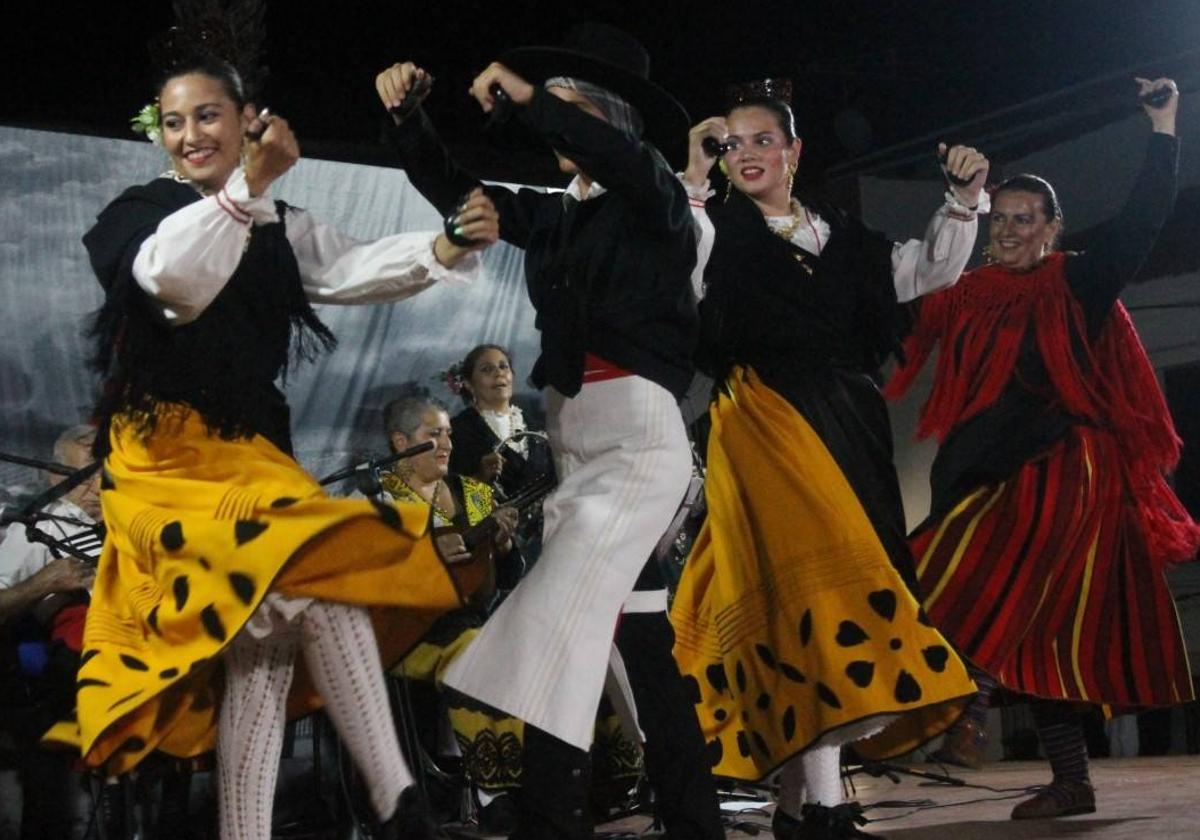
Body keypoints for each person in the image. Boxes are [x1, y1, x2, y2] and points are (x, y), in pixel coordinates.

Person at [64, 11, 501, 839]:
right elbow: (174, 285)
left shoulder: (278, 224)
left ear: (246, 120)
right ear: (158, 135)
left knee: (261, 655)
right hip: (166, 463)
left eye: (208, 116)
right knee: (309, 571)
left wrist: (444, 245)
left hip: (252, 452)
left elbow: (354, 267)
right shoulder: (137, 215)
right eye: (174, 120)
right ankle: (397, 800)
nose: (191, 133)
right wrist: (246, 189)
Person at [376, 22, 724, 840]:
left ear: (606, 121)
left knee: (556, 623)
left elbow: (626, 162)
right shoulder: (558, 216)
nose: (553, 124)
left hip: (639, 443)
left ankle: (547, 818)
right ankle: (694, 819)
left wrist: (537, 102)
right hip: (574, 439)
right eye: (552, 110)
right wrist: (408, 122)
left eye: (573, 112)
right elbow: (463, 200)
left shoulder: (656, 198)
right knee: (634, 645)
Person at [671, 84, 987, 839]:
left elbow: (926, 272)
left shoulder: (844, 236)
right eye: (731, 144)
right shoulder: (712, 229)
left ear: (793, 151)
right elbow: (680, 269)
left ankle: (800, 806)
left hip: (848, 419)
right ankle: (825, 804)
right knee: (817, 595)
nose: (745, 154)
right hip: (764, 420)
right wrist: (689, 177)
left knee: (823, 603)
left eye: (759, 140)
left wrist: (965, 199)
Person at [885, 78, 1199, 819]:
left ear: (1054, 229)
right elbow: (900, 307)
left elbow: (1142, 221)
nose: (1012, 230)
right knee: (1031, 631)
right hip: (988, 474)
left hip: (1066, 472)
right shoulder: (967, 295)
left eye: (1028, 220)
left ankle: (969, 703)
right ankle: (1070, 778)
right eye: (1002, 219)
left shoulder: (1078, 283)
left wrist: (1164, 128)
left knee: (994, 585)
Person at [0, 425, 100, 839]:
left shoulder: (133, 521)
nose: (96, 486)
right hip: (73, 666)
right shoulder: (34, 529)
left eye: (102, 475)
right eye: (84, 476)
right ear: (57, 477)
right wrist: (46, 582)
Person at [445, 344, 555, 578]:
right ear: (468, 383)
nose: (499, 374)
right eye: (487, 369)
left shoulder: (536, 425)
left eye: (503, 366)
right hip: (494, 553)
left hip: (549, 544)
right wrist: (481, 479)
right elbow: (451, 502)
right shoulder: (457, 433)